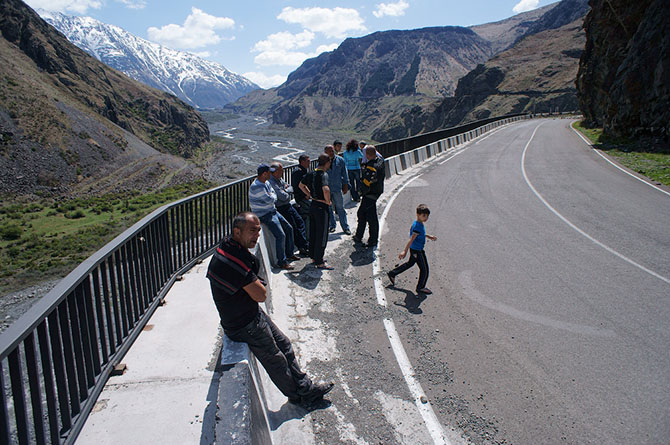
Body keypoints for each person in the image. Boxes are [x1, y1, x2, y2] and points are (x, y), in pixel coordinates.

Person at [207, 212, 334, 405]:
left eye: (258, 230)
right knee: (276, 360)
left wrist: (255, 283)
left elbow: (255, 288)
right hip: (243, 324)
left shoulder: (230, 247)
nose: (257, 235)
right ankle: (300, 397)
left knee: (284, 344)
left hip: (250, 314)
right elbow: (260, 294)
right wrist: (256, 283)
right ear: (236, 231)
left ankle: (303, 385)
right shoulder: (231, 262)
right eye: (252, 231)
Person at [249, 163, 297, 270]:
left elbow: (273, 196)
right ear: (264, 173)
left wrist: (272, 197)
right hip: (264, 214)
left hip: (272, 210)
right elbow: (271, 198)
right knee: (280, 235)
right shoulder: (257, 186)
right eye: (269, 173)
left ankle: (289, 254)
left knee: (289, 229)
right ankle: (282, 262)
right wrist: (273, 197)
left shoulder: (265, 183)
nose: (271, 175)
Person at [387, 204, 437, 294]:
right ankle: (420, 287)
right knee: (425, 269)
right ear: (418, 214)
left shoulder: (418, 223)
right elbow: (411, 239)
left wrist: (428, 236)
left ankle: (392, 273)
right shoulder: (417, 226)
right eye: (424, 216)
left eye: (427, 216)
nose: (426, 218)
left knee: (410, 263)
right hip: (417, 251)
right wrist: (404, 251)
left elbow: (418, 234)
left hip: (415, 249)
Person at [299, 154, 333, 270]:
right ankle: (319, 261)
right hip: (321, 207)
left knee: (313, 232)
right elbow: (326, 189)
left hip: (313, 205)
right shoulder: (323, 175)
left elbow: (301, 185)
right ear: (327, 163)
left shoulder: (310, 173)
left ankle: (314, 256)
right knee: (322, 234)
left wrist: (310, 195)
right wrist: (327, 201)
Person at [269, 162, 309, 255]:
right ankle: (302, 247)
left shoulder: (279, 179)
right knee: (293, 227)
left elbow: (291, 188)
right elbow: (283, 197)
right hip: (281, 208)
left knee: (300, 222)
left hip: (287, 205)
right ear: (276, 171)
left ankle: (303, 245)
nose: (283, 172)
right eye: (281, 170)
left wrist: (285, 190)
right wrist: (286, 190)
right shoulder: (271, 182)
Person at [353, 145, 385, 248]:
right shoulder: (380, 161)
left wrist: (361, 192)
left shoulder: (371, 166)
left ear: (367, 154)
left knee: (370, 217)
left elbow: (366, 181)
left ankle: (372, 240)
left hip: (370, 193)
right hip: (376, 192)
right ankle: (359, 236)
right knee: (362, 213)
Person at [325, 142, 350, 235]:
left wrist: (346, 184)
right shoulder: (322, 161)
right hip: (326, 189)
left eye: (331, 151)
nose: (330, 153)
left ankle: (345, 227)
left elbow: (345, 173)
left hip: (337, 188)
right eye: (328, 151)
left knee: (340, 208)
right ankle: (332, 225)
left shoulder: (340, 160)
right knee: (329, 208)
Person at [291, 155, 311, 238]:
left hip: (305, 197)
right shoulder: (298, 172)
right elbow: (297, 187)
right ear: (302, 162)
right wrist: (306, 195)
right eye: (308, 161)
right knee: (307, 216)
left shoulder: (303, 170)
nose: (309, 163)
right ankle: (307, 236)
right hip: (301, 198)